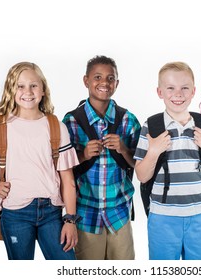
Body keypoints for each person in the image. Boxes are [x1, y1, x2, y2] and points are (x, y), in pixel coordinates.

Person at [0, 62, 79, 260]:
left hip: (51, 213)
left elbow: (68, 180)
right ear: (11, 89)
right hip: (15, 213)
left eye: (34, 85)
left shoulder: (56, 126)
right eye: (20, 86)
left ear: (43, 89)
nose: (28, 91)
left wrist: (71, 220)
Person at [134, 62, 201, 260]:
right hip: (163, 216)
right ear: (160, 92)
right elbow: (141, 175)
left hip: (200, 215)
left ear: (193, 92)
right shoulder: (152, 126)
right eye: (171, 88)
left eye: (185, 88)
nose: (178, 94)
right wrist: (154, 151)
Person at [63, 55, 141, 260]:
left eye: (110, 78)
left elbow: (140, 165)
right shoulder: (71, 121)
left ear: (117, 83)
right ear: (86, 80)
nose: (104, 83)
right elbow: (61, 167)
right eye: (97, 77)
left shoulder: (128, 119)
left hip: (119, 213)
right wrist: (83, 154)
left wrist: (124, 149)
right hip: (85, 213)